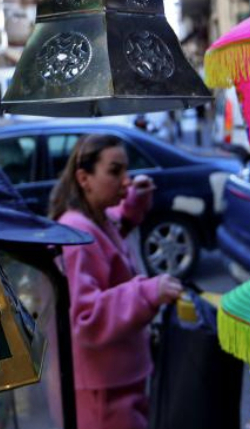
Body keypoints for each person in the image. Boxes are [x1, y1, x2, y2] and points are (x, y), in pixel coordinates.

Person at [50, 134, 184, 429]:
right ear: (84, 178)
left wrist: (133, 204)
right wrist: (147, 292)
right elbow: (85, 318)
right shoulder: (76, 231)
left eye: (126, 170)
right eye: (115, 171)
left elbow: (115, 230)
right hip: (104, 390)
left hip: (119, 377)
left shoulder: (96, 217)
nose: (126, 180)